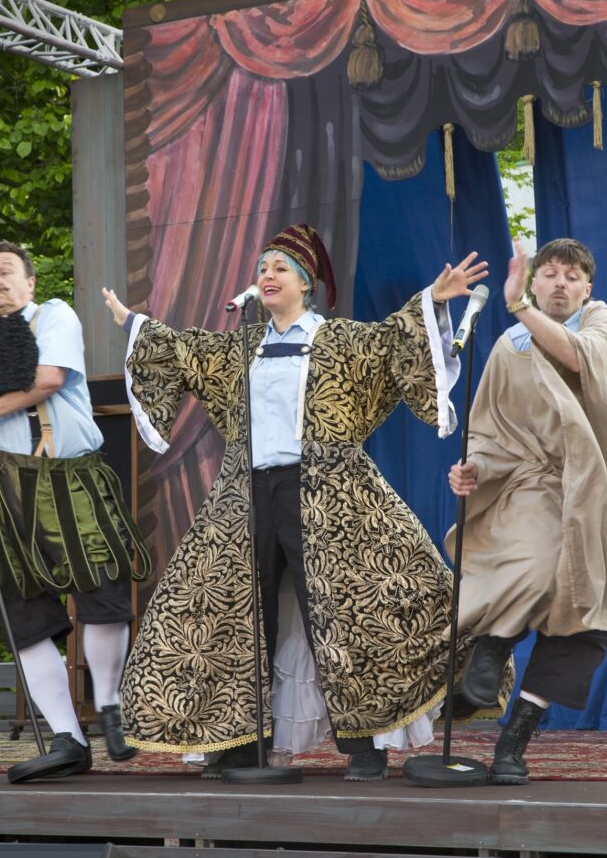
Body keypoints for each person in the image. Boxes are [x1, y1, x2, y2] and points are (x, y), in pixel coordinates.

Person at [103, 223, 493, 781]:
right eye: (262, 267)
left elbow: (392, 343)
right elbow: (182, 349)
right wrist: (132, 323)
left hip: (331, 491)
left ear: (306, 285)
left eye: (280, 268)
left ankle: (364, 746)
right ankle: (242, 744)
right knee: (236, 612)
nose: (267, 275)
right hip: (248, 493)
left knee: (344, 613)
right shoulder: (241, 347)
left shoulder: (340, 340)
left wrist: (432, 300)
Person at [447, 238, 607, 784]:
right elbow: (492, 434)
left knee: (584, 629)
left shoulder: (606, 323)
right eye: (549, 274)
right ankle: (490, 651)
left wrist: (519, 306)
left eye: (572, 276)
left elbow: (577, 357)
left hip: (606, 490)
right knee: (530, 559)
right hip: (537, 487)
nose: (560, 283)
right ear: (535, 282)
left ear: (588, 287)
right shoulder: (509, 346)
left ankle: (515, 738)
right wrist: (473, 470)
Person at [0, 240, 151, 782]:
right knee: (25, 619)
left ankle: (109, 706)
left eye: (6, 272)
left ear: (29, 283)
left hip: (67, 478)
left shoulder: (54, 315)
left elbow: (49, 380)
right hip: (3, 493)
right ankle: (67, 739)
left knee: (102, 593)